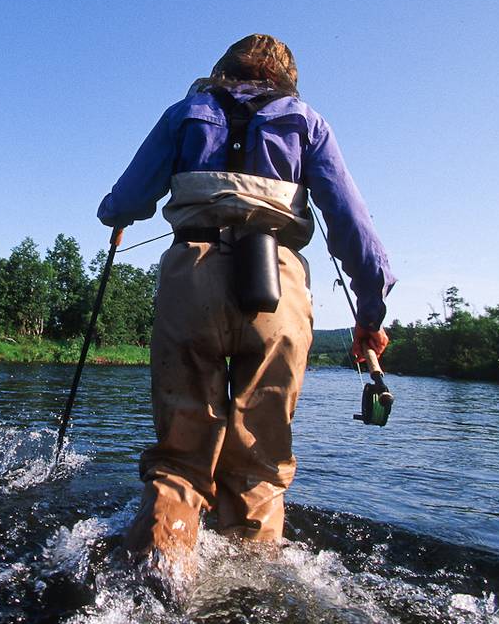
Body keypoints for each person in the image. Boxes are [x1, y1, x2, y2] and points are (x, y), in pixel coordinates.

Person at [97, 35, 395, 559]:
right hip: (277, 290)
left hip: (193, 276)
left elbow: (125, 199)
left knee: (181, 460)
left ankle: (155, 585)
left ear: (223, 70)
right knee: (260, 466)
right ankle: (254, 596)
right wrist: (369, 314)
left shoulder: (184, 113)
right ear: (287, 78)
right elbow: (355, 229)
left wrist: (115, 215)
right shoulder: (308, 122)